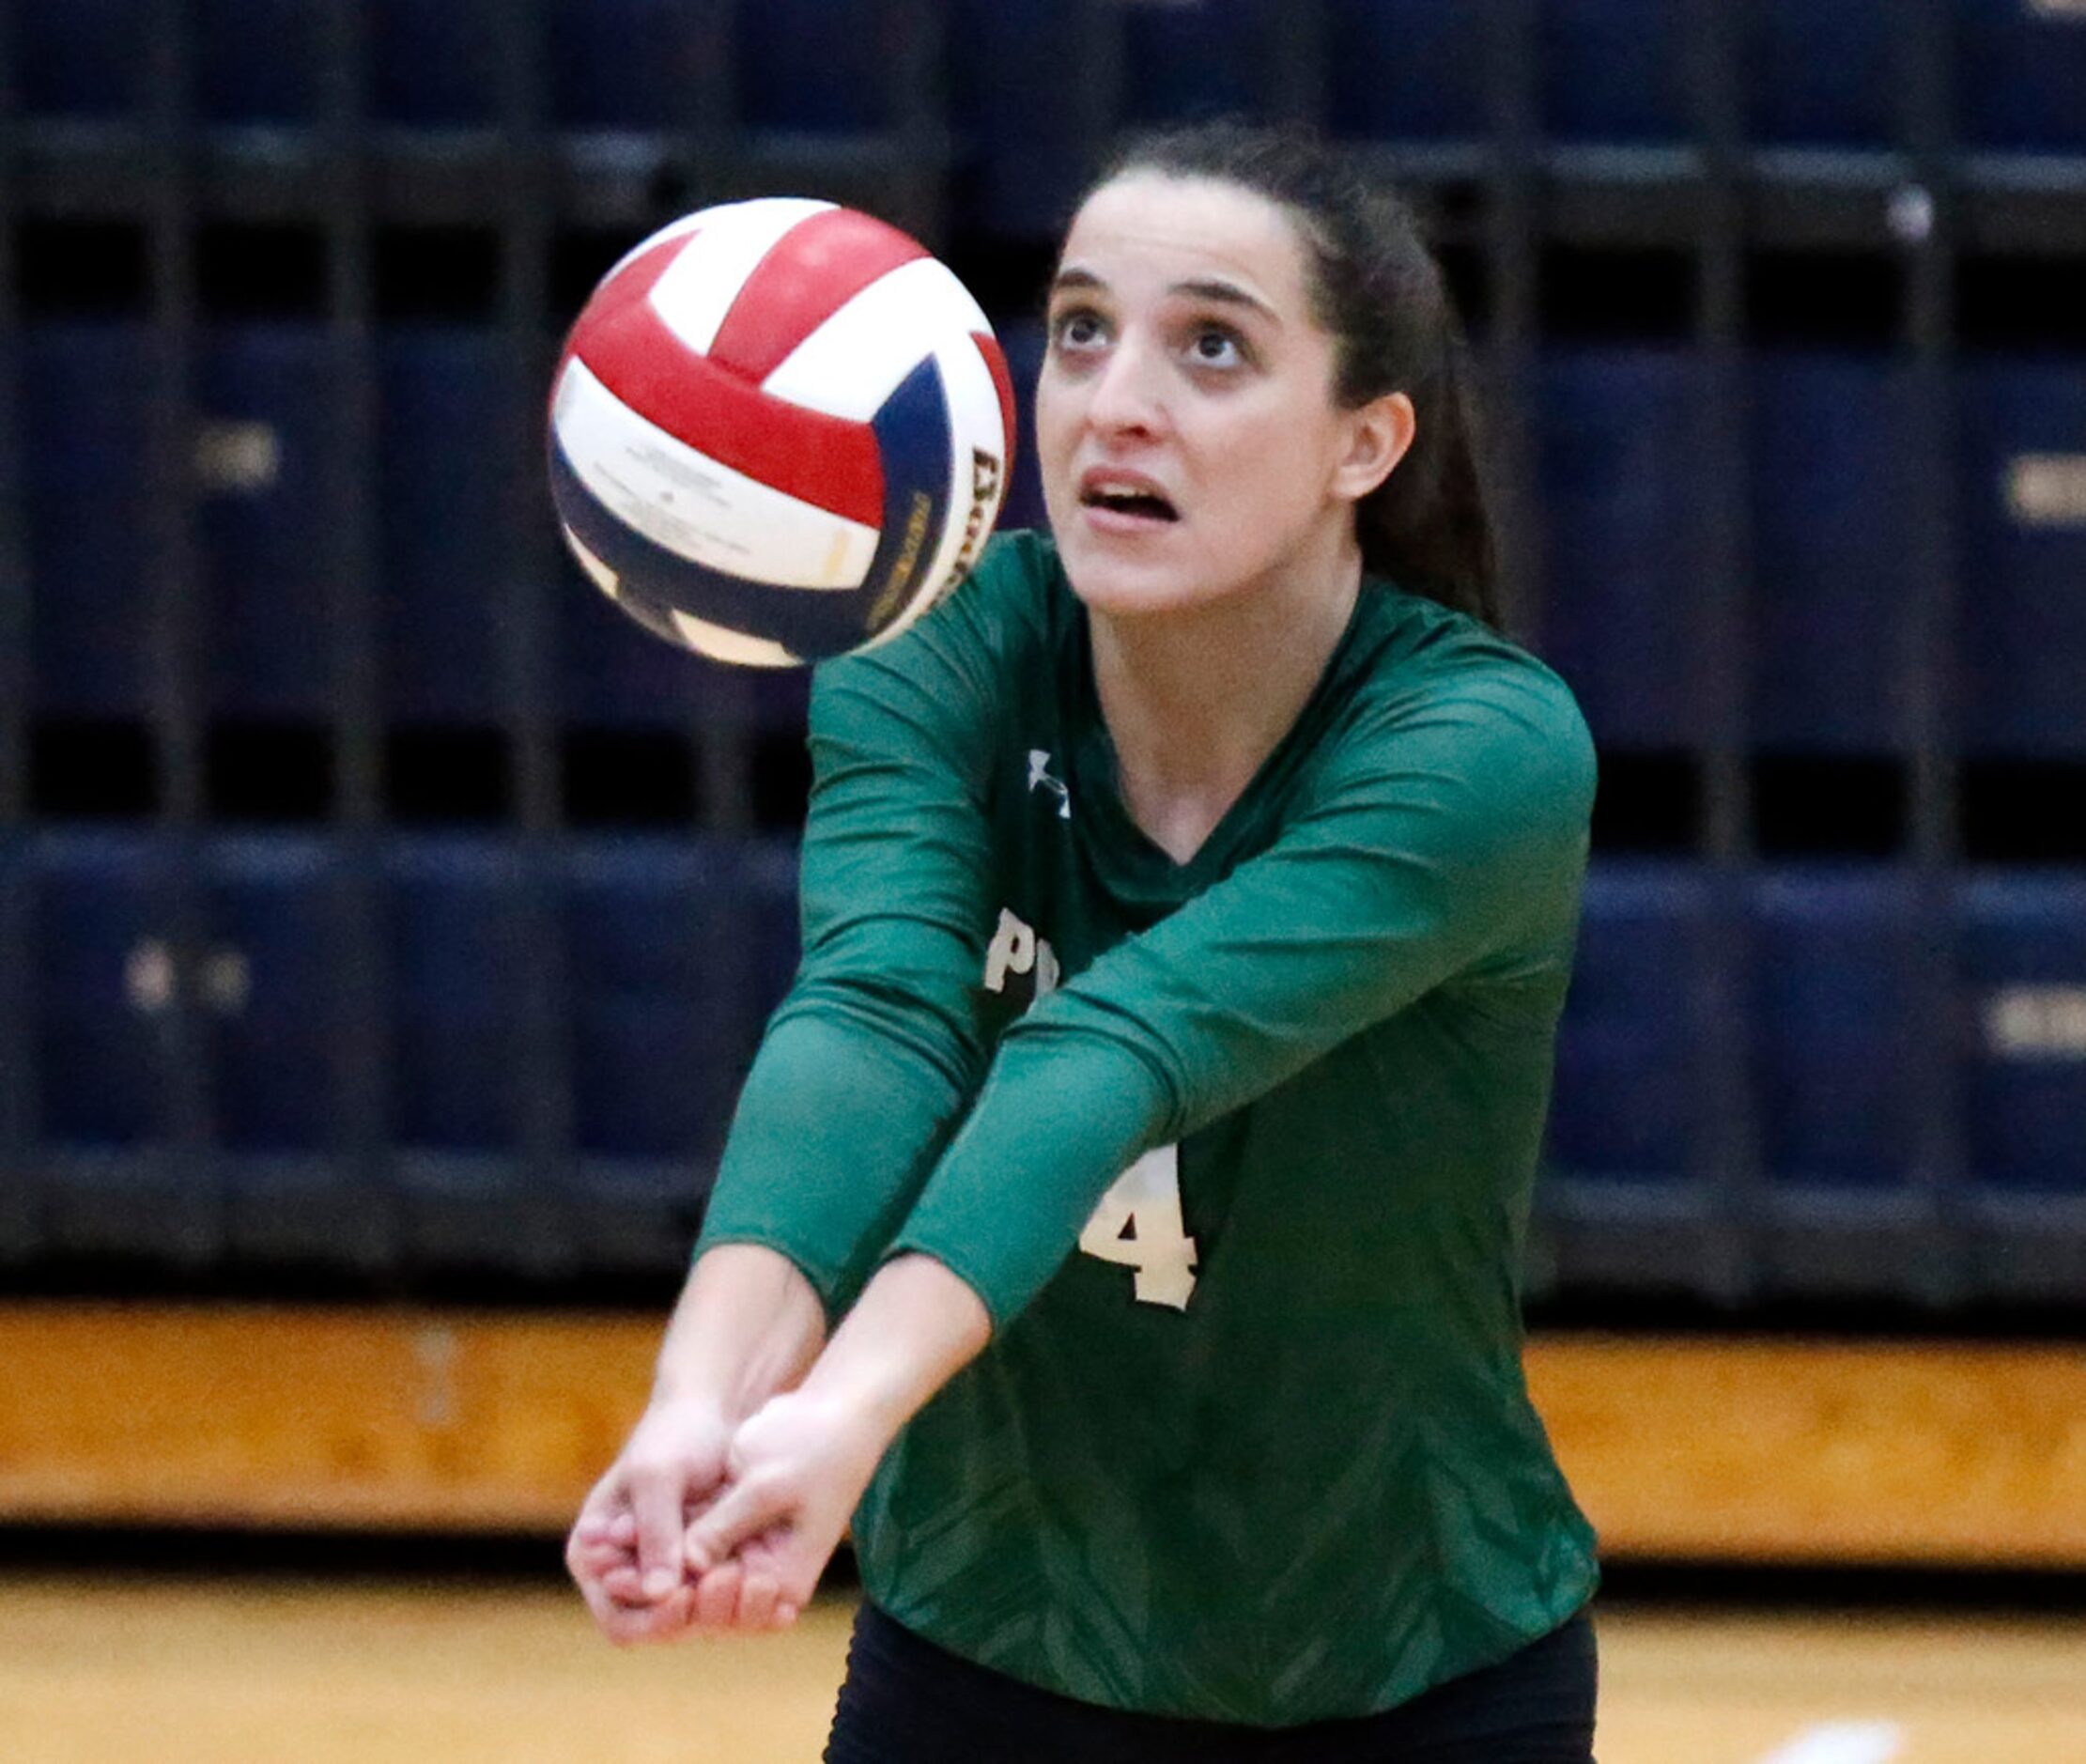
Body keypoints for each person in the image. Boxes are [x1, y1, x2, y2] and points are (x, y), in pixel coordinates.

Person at [568, 119, 1603, 1762]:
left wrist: (835, 1412)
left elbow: (1107, 1046)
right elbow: (875, 1018)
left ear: (1365, 442)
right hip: (989, 1645)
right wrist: (703, 1402)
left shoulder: (1478, 750)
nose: (1117, 400)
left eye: (1211, 347)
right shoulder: (933, 648)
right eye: (1077, 330)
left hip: (1405, 1666)